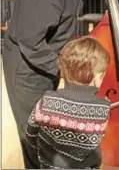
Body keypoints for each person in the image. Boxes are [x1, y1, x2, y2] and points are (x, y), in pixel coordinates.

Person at [3, 0, 119, 169]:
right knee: (36, 144)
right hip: (27, 67)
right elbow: (31, 43)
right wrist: (75, 74)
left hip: (44, 58)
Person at [26, 36, 111, 169]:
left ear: (63, 71)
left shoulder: (48, 100)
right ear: (98, 76)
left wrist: (41, 148)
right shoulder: (104, 107)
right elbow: (94, 140)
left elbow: (31, 133)